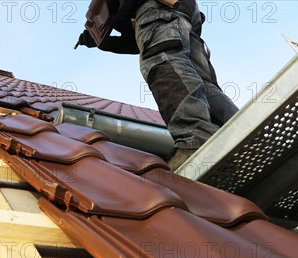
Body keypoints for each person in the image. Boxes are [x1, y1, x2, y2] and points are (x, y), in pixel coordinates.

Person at [76, 0, 239, 171]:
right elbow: (141, 41)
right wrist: (105, 42)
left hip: (158, 7)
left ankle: (195, 139)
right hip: (176, 12)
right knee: (200, 81)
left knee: (162, 61)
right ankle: (239, 132)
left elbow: (154, 35)